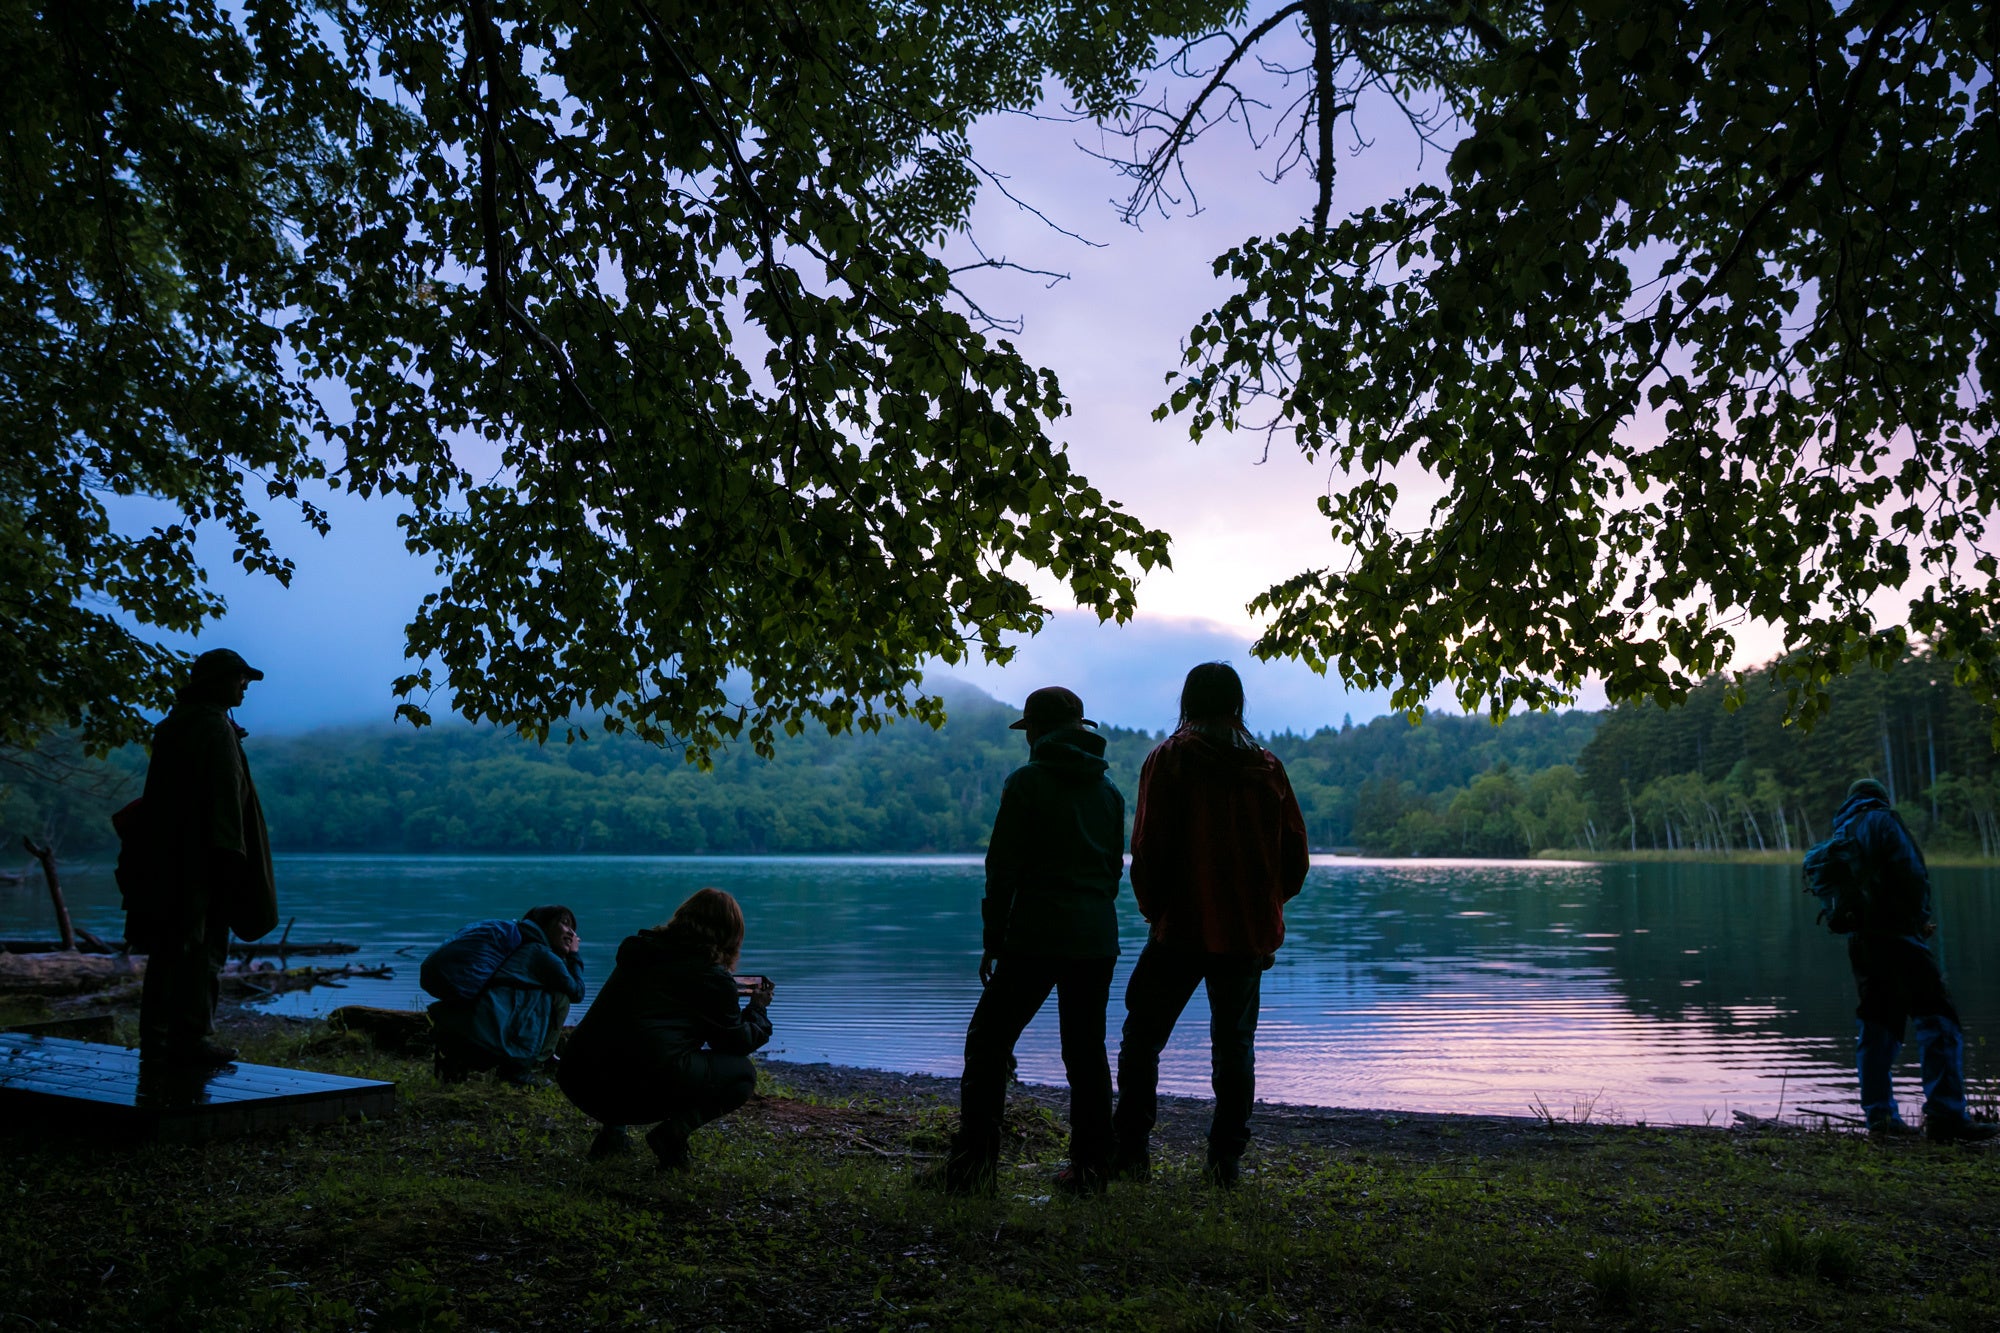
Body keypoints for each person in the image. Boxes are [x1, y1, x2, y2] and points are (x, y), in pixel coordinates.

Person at [1112, 662, 1309, 1187]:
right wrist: (1266, 909)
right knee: (1235, 1047)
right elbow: (1295, 858)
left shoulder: (1170, 758)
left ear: (1188, 700)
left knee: (1141, 1039)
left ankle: (1131, 1153)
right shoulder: (1268, 768)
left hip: (1180, 927)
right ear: (1235, 704)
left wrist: (1156, 910)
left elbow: (1147, 846)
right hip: (1246, 934)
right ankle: (1225, 1163)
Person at [935, 685, 1125, 1195]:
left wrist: (993, 938)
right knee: (1086, 1054)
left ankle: (974, 1166)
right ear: (1080, 728)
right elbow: (1112, 873)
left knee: (988, 1042)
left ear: (1036, 731)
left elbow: (1002, 870)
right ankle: (1090, 1171)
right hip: (1095, 937)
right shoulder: (1109, 793)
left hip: (1036, 935)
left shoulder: (1025, 784)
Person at [126, 648, 280, 1069]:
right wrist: (230, 860)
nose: (245, 686)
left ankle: (158, 1039)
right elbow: (225, 799)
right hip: (202, 861)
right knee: (201, 950)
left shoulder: (177, 724)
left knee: (170, 950)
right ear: (217, 681)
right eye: (239, 678)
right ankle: (191, 1038)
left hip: (169, 858)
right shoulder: (213, 727)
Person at [557, 888, 773, 1169]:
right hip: (630, 1091)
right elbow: (735, 1043)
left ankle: (613, 1136)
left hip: (579, 1078)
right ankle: (672, 1134)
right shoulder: (710, 978)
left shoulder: (638, 951)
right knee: (741, 1073)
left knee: (628, 1038)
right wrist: (757, 1008)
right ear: (731, 934)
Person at [1831, 778, 1995, 1143]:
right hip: (1898, 937)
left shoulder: (1843, 829)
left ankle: (1881, 1119)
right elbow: (1910, 873)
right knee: (1938, 1019)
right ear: (1880, 797)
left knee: (1878, 1025)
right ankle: (1946, 1115)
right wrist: (1919, 919)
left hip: (1863, 942)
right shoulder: (1883, 820)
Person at [427, 905, 586, 1084]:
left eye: (573, 928)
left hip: (456, 1029)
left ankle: (455, 1065)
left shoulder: (513, 947)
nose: (572, 933)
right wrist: (574, 954)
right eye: (565, 924)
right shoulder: (541, 955)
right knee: (560, 998)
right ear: (544, 925)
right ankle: (521, 1069)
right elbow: (577, 992)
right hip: (488, 1040)